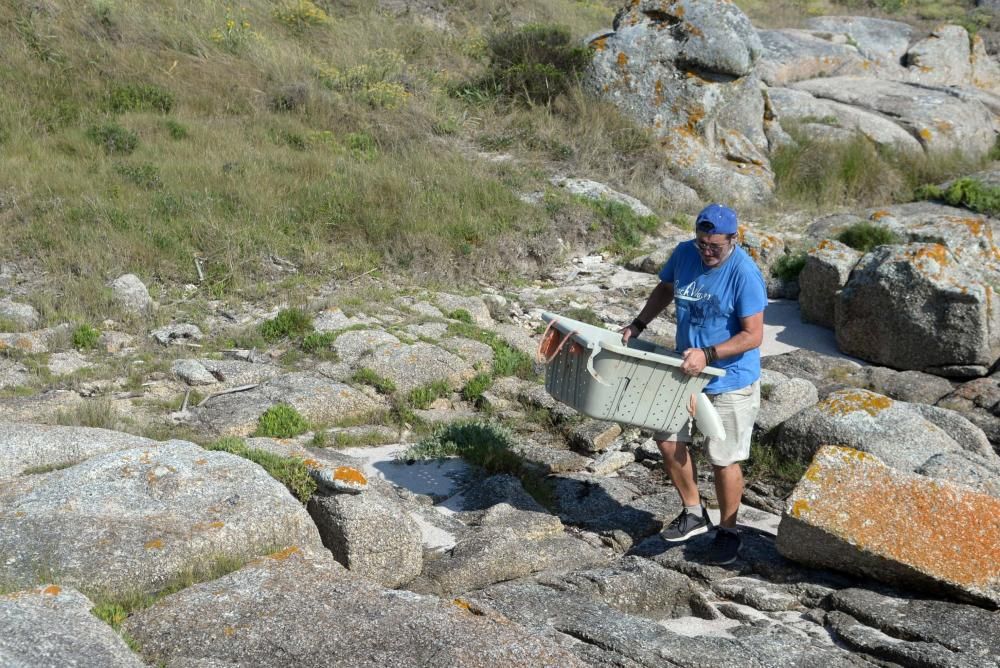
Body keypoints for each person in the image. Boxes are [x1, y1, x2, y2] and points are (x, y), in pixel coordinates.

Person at [620, 203, 766, 565]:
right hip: (687, 369)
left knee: (723, 457)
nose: (707, 251)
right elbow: (665, 288)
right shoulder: (685, 254)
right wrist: (637, 325)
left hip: (730, 378)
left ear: (733, 239)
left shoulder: (744, 274)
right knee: (666, 436)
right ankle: (693, 512)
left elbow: (753, 335)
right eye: (702, 243)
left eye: (715, 245)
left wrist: (709, 353)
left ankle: (729, 531)